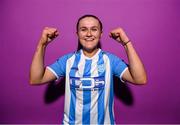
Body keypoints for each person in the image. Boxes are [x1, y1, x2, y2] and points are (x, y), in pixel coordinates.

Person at [29, 14, 147, 124]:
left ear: (101, 34)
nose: (89, 34)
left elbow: (140, 79)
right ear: (77, 34)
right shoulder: (68, 61)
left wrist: (126, 43)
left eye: (94, 29)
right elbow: (36, 79)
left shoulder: (110, 60)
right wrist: (42, 44)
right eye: (83, 29)